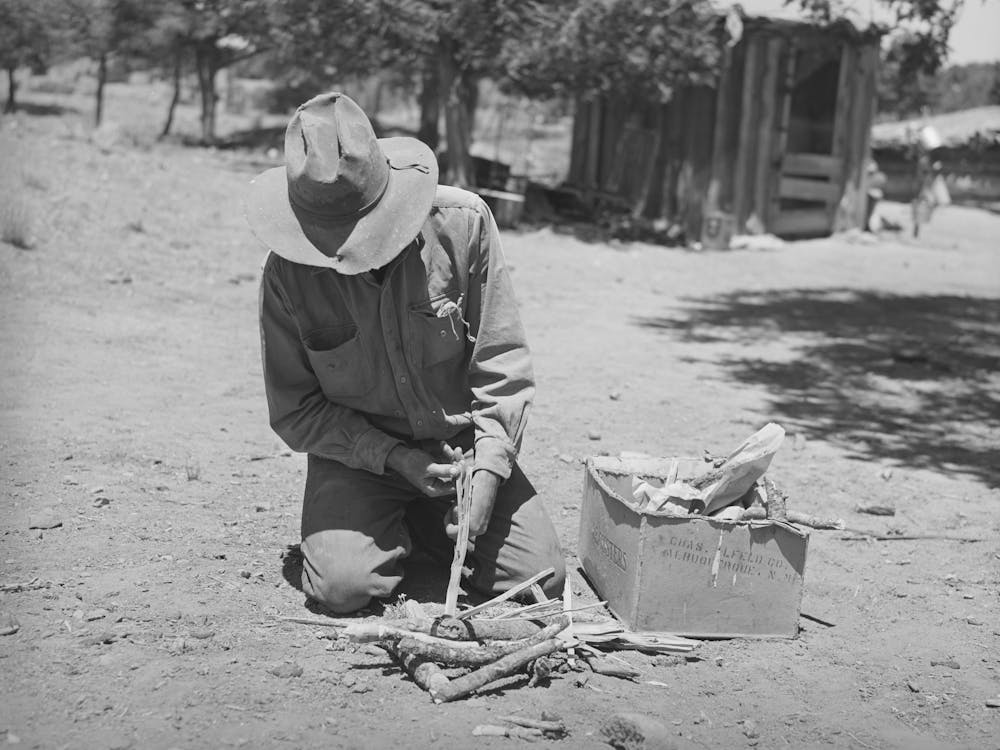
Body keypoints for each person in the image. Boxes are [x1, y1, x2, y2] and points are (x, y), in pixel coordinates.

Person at [244, 92, 565, 614]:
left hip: (460, 448)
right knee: (341, 590)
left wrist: (487, 472)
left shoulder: (463, 225)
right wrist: (393, 459)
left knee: (539, 579)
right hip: (360, 458)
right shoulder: (287, 276)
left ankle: (424, 521)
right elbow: (296, 410)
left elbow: (501, 365)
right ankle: (399, 520)